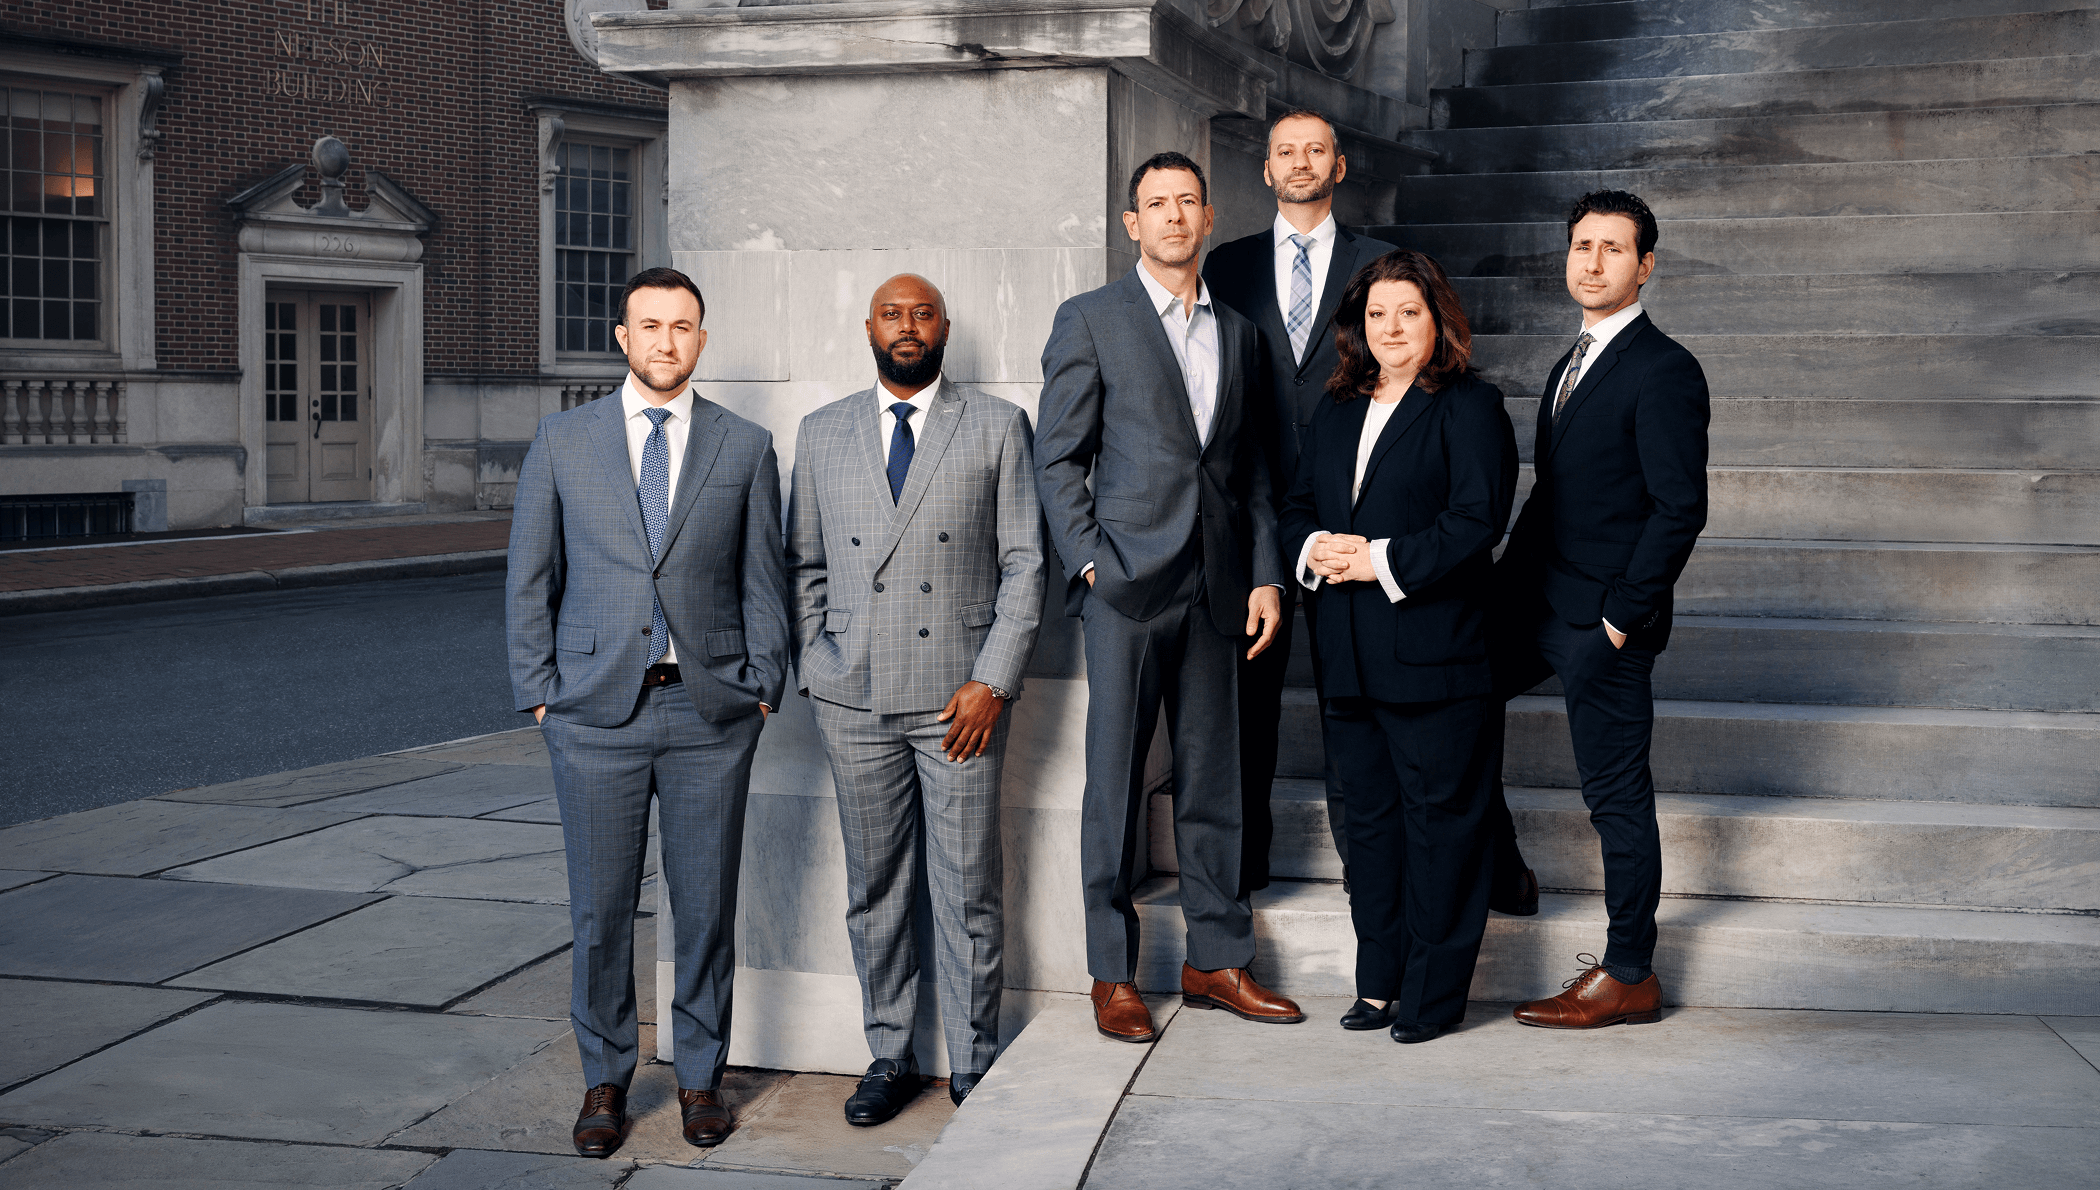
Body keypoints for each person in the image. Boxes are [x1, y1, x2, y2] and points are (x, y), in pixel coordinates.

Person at [506, 267, 789, 1156]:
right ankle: (604, 1078)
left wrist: (763, 684)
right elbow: (530, 579)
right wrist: (542, 693)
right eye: (650, 326)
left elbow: (765, 581)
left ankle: (702, 1077)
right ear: (621, 338)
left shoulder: (744, 447)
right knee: (600, 912)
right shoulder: (562, 441)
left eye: (684, 327)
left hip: (710, 715)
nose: (667, 341)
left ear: (703, 340)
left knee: (705, 908)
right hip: (593, 716)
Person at [1036, 151, 1302, 1046]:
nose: (1175, 216)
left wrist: (1266, 572)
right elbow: (1057, 459)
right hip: (1126, 587)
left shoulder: (1240, 331)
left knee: (1214, 779)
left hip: (1219, 583)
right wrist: (1088, 565)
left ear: (1209, 215)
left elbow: (1253, 470)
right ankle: (1113, 973)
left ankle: (1217, 959)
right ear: (1132, 224)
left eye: (1189, 201)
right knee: (1113, 784)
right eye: (1157, 204)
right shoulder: (1091, 320)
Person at [786, 273, 1045, 1120]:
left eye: (922, 313)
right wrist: (820, 671)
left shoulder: (998, 425)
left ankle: (973, 1059)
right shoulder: (822, 433)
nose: (908, 327)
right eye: (893, 314)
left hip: (957, 703)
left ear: (945, 326)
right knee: (875, 885)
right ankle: (889, 1055)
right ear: (869, 326)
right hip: (853, 698)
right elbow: (805, 568)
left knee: (968, 884)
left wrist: (993, 681)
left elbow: (1025, 565)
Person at [1279, 249, 1517, 1045]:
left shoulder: (1470, 406)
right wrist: (1313, 546)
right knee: (1370, 831)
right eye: (1376, 315)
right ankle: (1378, 981)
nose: (1391, 328)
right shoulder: (1338, 406)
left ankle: (1433, 994)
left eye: (1407, 312)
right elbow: (1297, 503)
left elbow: (1476, 520)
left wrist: (1374, 557)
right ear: (1357, 326)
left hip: (1436, 660)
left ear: (1437, 319)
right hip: (1347, 658)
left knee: (1439, 829)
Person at [1493, 189, 1710, 1029]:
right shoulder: (1570, 359)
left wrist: (1620, 621)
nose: (1592, 261)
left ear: (1644, 266)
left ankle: (1629, 972)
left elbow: (1679, 508)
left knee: (1615, 794)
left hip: (1604, 625)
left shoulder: (1665, 369)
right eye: (1582, 246)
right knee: (1452, 697)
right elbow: (1555, 495)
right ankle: (1502, 869)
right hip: (1538, 601)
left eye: (1612, 249)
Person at [1202, 107, 1400, 892]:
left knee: (1352, 700)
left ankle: (1368, 867)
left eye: (1317, 150)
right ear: (1266, 169)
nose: (1301, 162)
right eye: (1286, 151)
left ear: (1339, 167)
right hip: (1250, 517)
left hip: (1349, 516)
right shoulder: (1226, 266)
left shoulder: (1382, 263)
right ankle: (1244, 868)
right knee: (1247, 703)